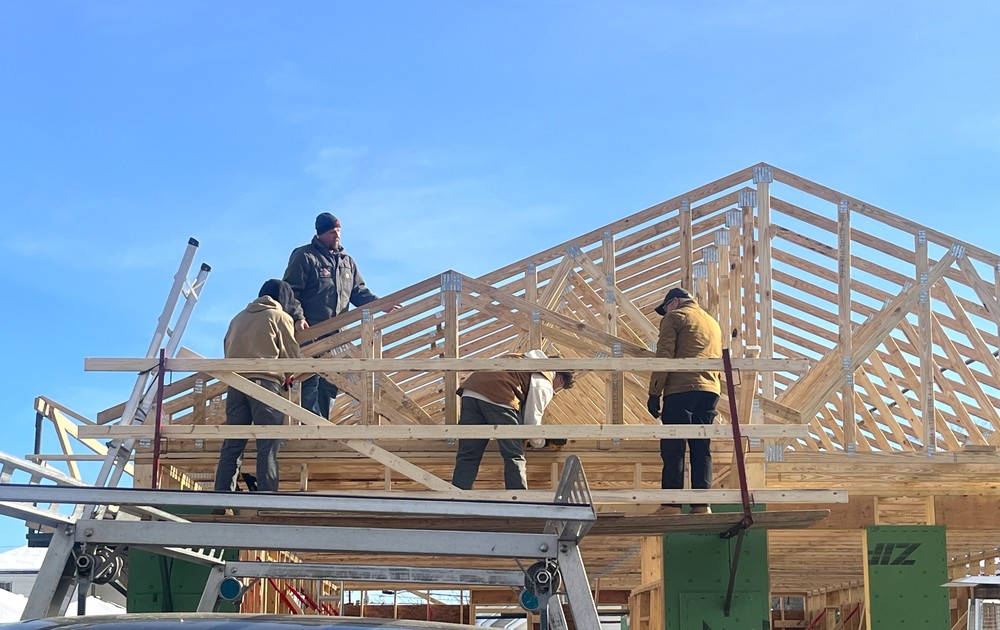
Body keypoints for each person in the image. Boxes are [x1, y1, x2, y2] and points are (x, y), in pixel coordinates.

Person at [283, 212, 382, 420]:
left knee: (330, 384)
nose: (336, 236)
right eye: (331, 232)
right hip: (310, 332)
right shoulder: (305, 256)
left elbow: (359, 292)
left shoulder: (347, 262)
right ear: (320, 234)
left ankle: (321, 426)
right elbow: (290, 291)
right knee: (308, 382)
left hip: (337, 336)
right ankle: (308, 429)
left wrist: (381, 304)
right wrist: (298, 316)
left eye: (338, 231)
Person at [214, 279, 303, 494]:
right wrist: (290, 375)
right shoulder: (279, 317)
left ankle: (220, 499)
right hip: (265, 384)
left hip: (236, 386)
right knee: (268, 444)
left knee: (233, 444)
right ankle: (267, 499)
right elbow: (291, 355)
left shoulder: (238, 318)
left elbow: (227, 348)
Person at [451, 350, 576, 490]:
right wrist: (541, 442)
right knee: (514, 455)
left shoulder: (520, 358)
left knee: (468, 455)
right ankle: (519, 500)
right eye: (559, 387)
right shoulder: (544, 379)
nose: (555, 391)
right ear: (560, 378)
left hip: (470, 393)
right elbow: (531, 420)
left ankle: (456, 497)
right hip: (500, 395)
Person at [646, 287, 722, 515]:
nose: (665, 312)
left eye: (665, 307)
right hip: (710, 390)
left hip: (680, 389)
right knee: (701, 447)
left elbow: (665, 354)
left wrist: (654, 392)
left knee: (674, 447)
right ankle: (702, 505)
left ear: (675, 302)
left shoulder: (675, 316)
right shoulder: (712, 323)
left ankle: (671, 505)